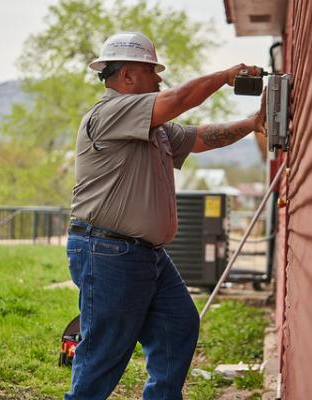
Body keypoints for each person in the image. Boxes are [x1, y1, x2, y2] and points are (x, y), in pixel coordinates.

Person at [65, 31, 266, 400]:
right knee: (104, 353)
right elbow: (175, 101)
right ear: (126, 76)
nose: (159, 79)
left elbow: (202, 137)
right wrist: (223, 77)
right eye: (151, 71)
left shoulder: (153, 129)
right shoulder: (110, 112)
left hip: (145, 255)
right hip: (108, 251)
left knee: (178, 325)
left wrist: (253, 122)